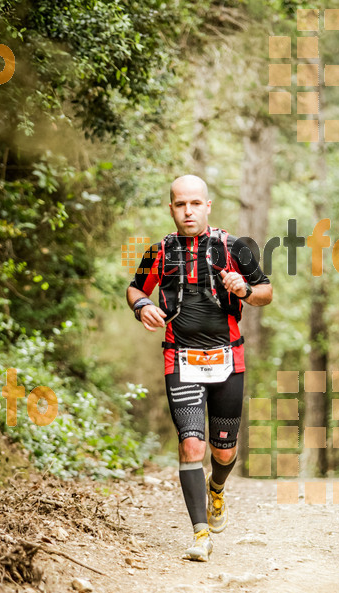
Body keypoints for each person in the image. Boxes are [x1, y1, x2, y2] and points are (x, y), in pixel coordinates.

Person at [126, 175, 272, 562]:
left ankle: (218, 490)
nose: (187, 211)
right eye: (179, 204)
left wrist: (242, 288)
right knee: (192, 443)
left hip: (227, 360)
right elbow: (135, 287)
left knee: (223, 453)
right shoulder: (159, 251)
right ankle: (200, 534)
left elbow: (266, 293)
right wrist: (142, 306)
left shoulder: (234, 248)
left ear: (207, 206)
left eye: (194, 203)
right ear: (171, 208)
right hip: (181, 358)